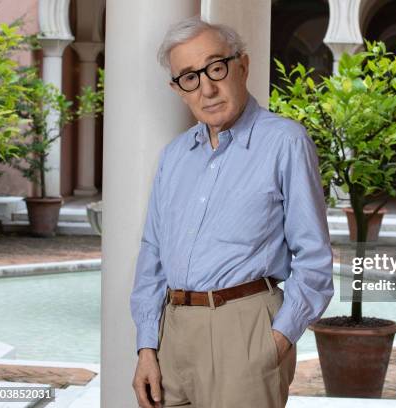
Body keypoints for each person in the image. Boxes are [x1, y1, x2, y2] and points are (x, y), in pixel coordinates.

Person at [130, 16, 334, 408]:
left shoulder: (285, 142)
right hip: (170, 334)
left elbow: (314, 259)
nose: (206, 88)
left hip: (245, 333)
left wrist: (276, 340)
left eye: (216, 68)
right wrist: (145, 347)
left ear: (242, 65)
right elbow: (152, 253)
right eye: (189, 77)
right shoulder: (173, 156)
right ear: (178, 89)